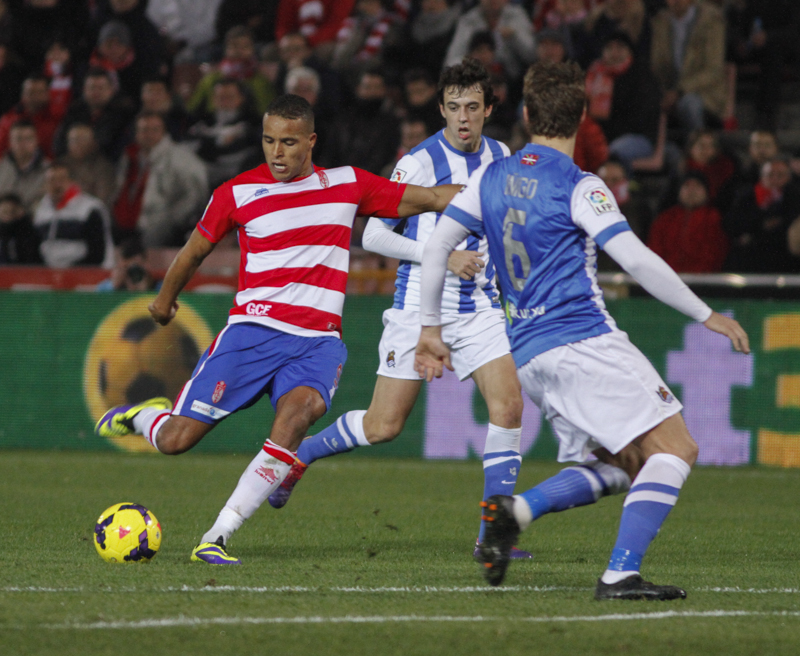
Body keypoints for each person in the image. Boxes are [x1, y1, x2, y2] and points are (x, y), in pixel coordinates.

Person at [415, 61, 749, 599]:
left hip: (528, 355)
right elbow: (635, 261)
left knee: (624, 464)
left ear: (525, 115)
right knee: (677, 448)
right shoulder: (579, 184)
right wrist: (704, 313)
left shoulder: (489, 177)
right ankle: (619, 574)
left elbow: (436, 249)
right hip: (582, 340)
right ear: (583, 116)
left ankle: (513, 511)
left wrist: (429, 328)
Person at [95, 94, 463, 565]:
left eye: (288, 142)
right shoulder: (237, 193)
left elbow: (431, 198)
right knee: (175, 441)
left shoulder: (347, 184)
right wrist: (164, 301)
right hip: (252, 333)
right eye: (269, 141)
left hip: (317, 343)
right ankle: (147, 416)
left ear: (311, 141)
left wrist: (494, 193)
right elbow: (192, 252)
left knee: (296, 418)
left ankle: (217, 534)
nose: (277, 152)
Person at [266, 59, 531, 560]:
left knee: (510, 407)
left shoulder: (502, 155)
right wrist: (442, 255)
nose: (463, 118)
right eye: (453, 108)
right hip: (418, 308)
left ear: (490, 109)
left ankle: (492, 536)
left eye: (473, 107)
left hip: (478, 310)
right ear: (441, 109)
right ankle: (301, 456)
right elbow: (373, 233)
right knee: (383, 427)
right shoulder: (420, 162)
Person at [114, 111, 208, 247]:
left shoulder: (181, 159)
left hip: (160, 229)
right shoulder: (129, 157)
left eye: (155, 130)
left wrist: (169, 221)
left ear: (164, 132)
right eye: (144, 130)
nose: (149, 135)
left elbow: (194, 196)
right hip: (127, 225)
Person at [34, 161, 113, 268]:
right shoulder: (41, 210)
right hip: (48, 276)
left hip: (83, 275)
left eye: (61, 180)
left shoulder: (90, 209)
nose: (57, 185)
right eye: (52, 180)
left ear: (71, 182)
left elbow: (98, 253)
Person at [647, 171, 728, 273]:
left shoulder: (714, 218)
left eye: (697, 186)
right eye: (687, 186)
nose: (692, 191)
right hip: (666, 279)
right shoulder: (665, 219)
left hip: (702, 280)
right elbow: (655, 249)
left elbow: (715, 252)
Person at [0, 192, 41, 264]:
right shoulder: (3, 236)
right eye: (5, 212)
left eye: (12, 212)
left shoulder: (29, 233)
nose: (7, 217)